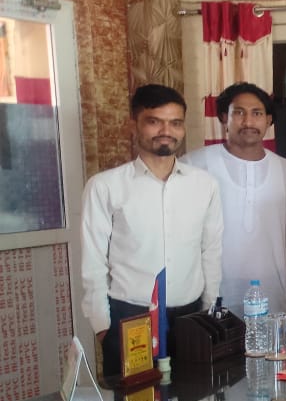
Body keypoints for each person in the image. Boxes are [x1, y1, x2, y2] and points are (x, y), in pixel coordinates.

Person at [81, 84, 223, 379]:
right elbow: (93, 260)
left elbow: (211, 251)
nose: (166, 131)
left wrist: (208, 310)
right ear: (133, 125)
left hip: (191, 316)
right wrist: (102, 326)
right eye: (154, 121)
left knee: (195, 400)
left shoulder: (204, 185)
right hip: (130, 317)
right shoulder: (105, 187)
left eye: (175, 123)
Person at [183, 82, 286, 327]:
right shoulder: (194, 165)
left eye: (257, 113)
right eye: (239, 112)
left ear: (269, 120)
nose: (248, 121)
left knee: (275, 352)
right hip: (212, 300)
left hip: (273, 295)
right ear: (224, 117)